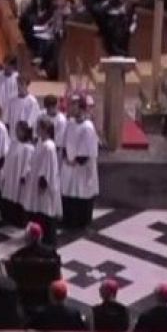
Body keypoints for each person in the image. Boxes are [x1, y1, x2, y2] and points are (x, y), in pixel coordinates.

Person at [61, 92, 100, 232]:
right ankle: (69, 220)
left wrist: (76, 160)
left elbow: (89, 150)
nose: (70, 108)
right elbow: (66, 140)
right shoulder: (70, 123)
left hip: (82, 167)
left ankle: (81, 223)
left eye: (74, 105)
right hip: (70, 163)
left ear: (81, 108)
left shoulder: (88, 127)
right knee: (69, 193)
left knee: (82, 193)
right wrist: (66, 156)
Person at [24, 118, 63, 243]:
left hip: (44, 185)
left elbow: (48, 167)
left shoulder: (49, 146)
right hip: (36, 182)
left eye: (39, 128)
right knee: (38, 211)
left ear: (45, 129)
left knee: (45, 211)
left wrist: (43, 182)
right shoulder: (41, 142)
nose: (36, 130)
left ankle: (48, 238)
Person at [0, 120, 34, 226]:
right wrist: (4, 171)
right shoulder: (13, 143)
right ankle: (6, 216)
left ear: (25, 132)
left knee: (18, 196)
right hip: (10, 176)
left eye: (20, 131)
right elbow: (8, 157)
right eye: (16, 130)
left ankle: (18, 219)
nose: (18, 133)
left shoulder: (29, 148)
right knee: (8, 194)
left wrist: (24, 175)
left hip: (19, 178)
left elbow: (29, 164)